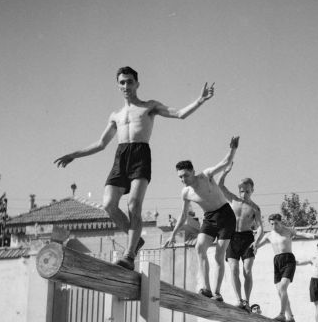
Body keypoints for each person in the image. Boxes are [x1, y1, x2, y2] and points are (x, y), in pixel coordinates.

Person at [54, 66, 214, 270]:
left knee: (133, 206)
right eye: (122, 82)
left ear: (137, 84)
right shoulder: (115, 115)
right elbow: (101, 144)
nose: (126, 85)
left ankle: (129, 255)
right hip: (121, 156)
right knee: (109, 204)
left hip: (140, 155)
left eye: (130, 81)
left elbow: (179, 114)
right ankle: (135, 239)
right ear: (118, 86)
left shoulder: (149, 107)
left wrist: (200, 100)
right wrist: (73, 155)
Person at [164, 137, 239, 301]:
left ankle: (217, 293)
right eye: (180, 178)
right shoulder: (185, 192)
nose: (183, 180)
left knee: (219, 255)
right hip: (209, 218)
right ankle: (207, 289)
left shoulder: (206, 176)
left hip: (226, 215)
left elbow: (225, 163)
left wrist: (233, 149)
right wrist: (172, 234)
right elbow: (183, 215)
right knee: (199, 248)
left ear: (192, 171)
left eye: (185, 175)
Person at [218, 165, 264, 310]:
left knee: (247, 271)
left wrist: (256, 242)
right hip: (232, 237)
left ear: (252, 191)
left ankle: (247, 300)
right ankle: (239, 299)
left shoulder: (255, 208)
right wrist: (225, 172)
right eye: (242, 191)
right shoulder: (234, 199)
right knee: (233, 268)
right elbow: (220, 185)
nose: (244, 194)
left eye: (247, 191)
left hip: (247, 239)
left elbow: (261, 227)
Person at [256, 214, 316, 322]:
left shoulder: (288, 231)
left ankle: (282, 314)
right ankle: (290, 316)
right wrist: (252, 248)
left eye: (276, 223)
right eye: (272, 224)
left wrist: (309, 235)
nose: (274, 226)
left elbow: (299, 233)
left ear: (280, 222)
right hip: (277, 261)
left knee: (283, 287)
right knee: (280, 291)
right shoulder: (269, 235)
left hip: (288, 259)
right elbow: (257, 245)